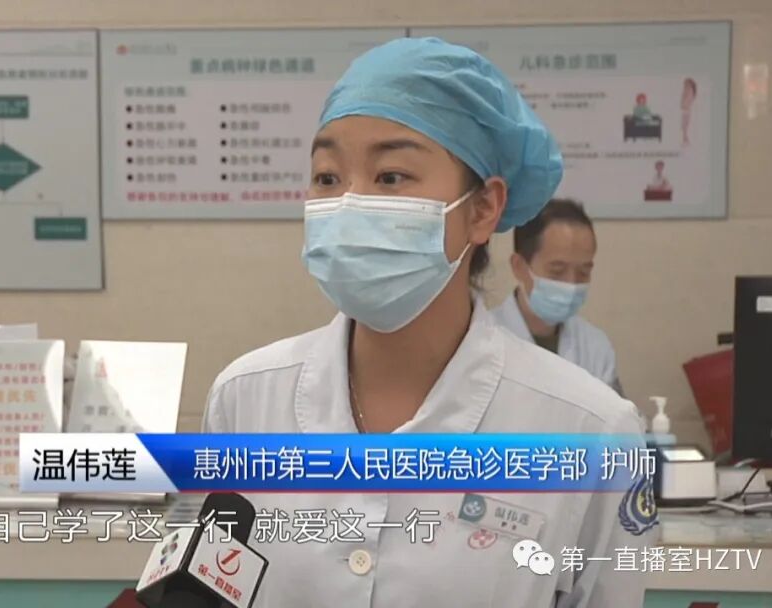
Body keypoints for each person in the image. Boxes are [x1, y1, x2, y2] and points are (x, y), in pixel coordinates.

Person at [202, 38, 654, 608]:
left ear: (483, 209)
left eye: (391, 176)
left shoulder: (592, 430)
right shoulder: (246, 399)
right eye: (327, 177)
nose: (350, 203)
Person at [490, 199, 623, 395]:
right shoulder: (484, 340)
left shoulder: (595, 346)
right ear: (519, 267)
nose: (571, 284)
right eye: (557, 271)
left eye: (583, 272)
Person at [680, 78, 697, 146]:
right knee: (683, 126)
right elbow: (682, 101)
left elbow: (688, 101)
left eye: (686, 84)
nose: (685, 86)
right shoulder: (685, 91)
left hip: (687, 110)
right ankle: (685, 140)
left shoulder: (690, 91)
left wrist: (685, 104)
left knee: (685, 126)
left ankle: (686, 140)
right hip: (685, 110)